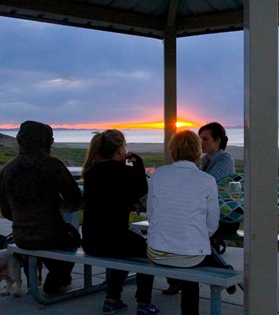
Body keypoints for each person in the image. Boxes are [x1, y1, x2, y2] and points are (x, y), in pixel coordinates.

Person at [81, 129, 159, 315]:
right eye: (124, 146)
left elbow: (112, 194)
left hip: (91, 240)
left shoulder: (90, 172)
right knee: (148, 251)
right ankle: (144, 303)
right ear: (118, 150)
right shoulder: (125, 172)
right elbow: (141, 189)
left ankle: (112, 299)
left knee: (126, 249)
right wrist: (138, 165)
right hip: (113, 239)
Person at [0, 120, 83, 294]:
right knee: (73, 237)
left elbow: (6, 211)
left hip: (21, 234)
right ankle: (57, 279)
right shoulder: (53, 164)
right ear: (45, 141)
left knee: (51, 238)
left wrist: (25, 217)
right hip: (51, 234)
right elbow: (74, 197)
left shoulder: (7, 169)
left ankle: (58, 277)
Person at [146, 130, 220, 315]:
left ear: (172, 152)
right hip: (189, 256)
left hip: (156, 251)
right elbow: (212, 224)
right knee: (192, 259)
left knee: (190, 252)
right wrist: (198, 236)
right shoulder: (206, 180)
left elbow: (151, 215)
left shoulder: (159, 175)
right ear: (198, 153)